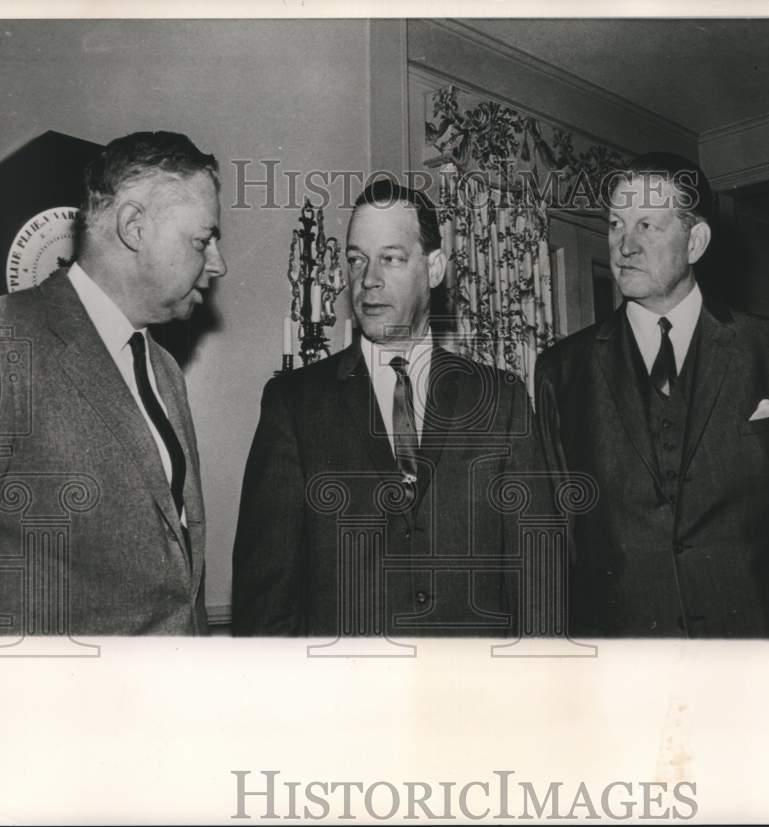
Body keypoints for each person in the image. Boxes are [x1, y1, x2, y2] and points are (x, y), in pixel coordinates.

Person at [232, 180, 548, 637]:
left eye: (392, 258)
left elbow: (535, 578)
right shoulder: (295, 404)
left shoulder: (501, 399)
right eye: (357, 259)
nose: (369, 279)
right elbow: (265, 598)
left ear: (434, 268)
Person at [536, 152, 769, 638]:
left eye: (648, 226)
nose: (625, 246)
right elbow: (561, 539)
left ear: (696, 241)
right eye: (617, 225)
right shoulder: (562, 371)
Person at [0, 131, 227, 635]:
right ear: (134, 226)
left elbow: (181, 580)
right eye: (203, 240)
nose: (219, 263)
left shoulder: (166, 371)